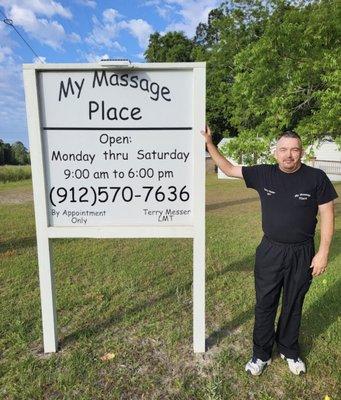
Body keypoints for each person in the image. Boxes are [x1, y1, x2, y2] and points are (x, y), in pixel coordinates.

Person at [202, 126, 338, 376]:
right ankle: (261, 354)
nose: (289, 155)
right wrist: (210, 144)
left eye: (294, 150)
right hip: (270, 251)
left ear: (302, 152)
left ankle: (288, 349)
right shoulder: (263, 174)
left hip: (302, 252)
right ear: (275, 153)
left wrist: (323, 252)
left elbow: (328, 215)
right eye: (283, 150)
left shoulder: (316, 178)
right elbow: (230, 169)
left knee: (293, 303)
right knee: (265, 303)